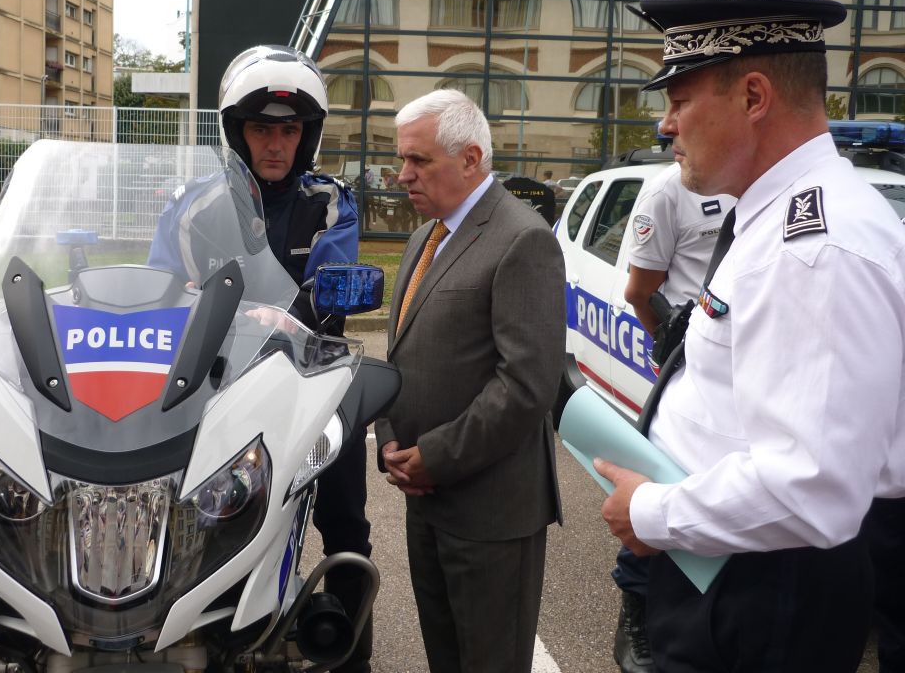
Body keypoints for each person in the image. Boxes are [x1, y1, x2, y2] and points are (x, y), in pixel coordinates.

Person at [594, 0, 905, 672]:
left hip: (761, 590)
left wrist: (651, 514)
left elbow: (813, 486)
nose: (665, 125)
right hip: (734, 565)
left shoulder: (815, 247)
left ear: (754, 97)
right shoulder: (781, 218)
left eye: (679, 100)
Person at [148, 44, 372, 673]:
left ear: (307, 135)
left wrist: (289, 314)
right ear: (236, 132)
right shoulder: (194, 202)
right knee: (192, 512)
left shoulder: (331, 201)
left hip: (310, 379)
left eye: (289, 130)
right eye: (261, 129)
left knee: (346, 520)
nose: (276, 144)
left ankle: (351, 657)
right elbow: (161, 287)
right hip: (213, 385)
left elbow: (329, 282)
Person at [374, 89, 566, 673]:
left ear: (471, 159)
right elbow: (403, 352)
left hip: (491, 514)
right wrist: (389, 437)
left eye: (419, 160)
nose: (403, 175)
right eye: (401, 159)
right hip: (426, 501)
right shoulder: (424, 237)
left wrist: (435, 457)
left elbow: (527, 385)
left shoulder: (522, 238)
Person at [613, 162, 736, 673]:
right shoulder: (670, 189)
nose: (670, 128)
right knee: (664, 473)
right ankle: (636, 605)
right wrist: (671, 351)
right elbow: (639, 292)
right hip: (690, 359)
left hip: (742, 365)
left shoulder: (761, 187)